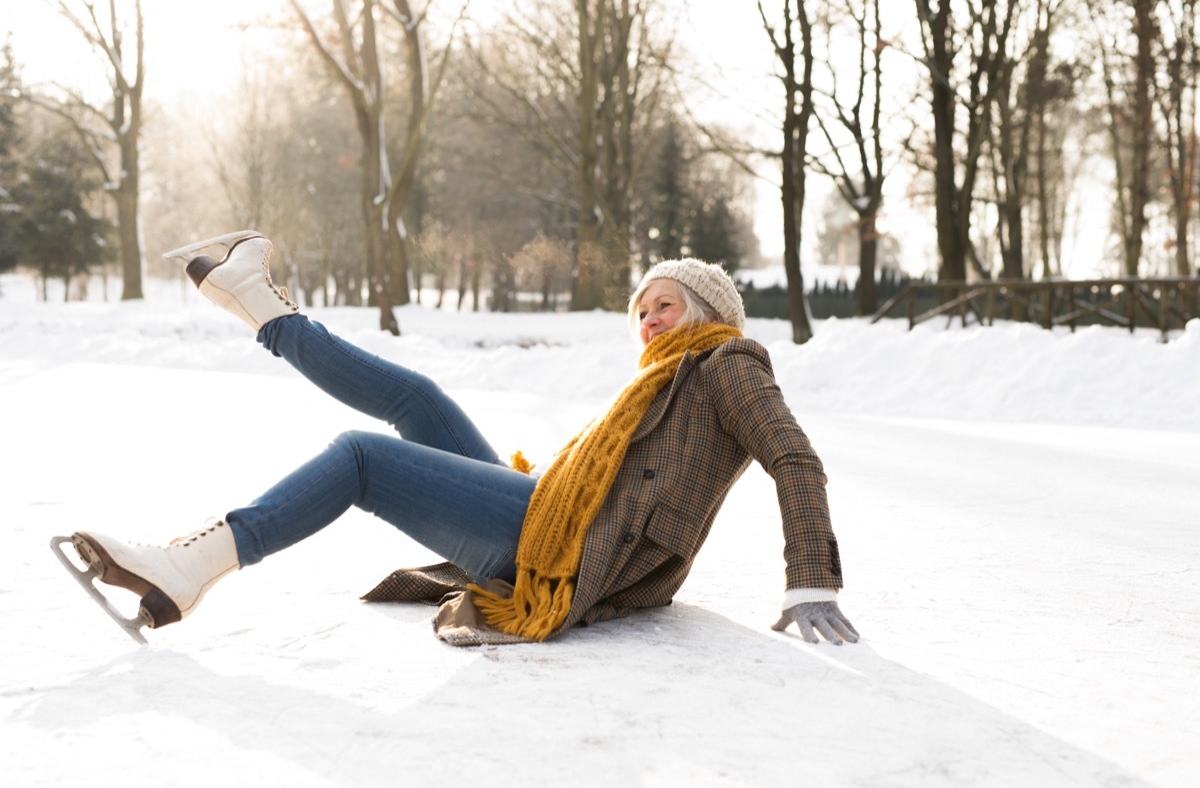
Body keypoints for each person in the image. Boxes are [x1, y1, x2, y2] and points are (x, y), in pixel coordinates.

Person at [65, 231, 859, 647]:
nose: (649, 321)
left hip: (576, 554)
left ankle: (186, 567)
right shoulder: (659, 380)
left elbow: (793, 457)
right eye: (642, 309)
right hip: (555, 520)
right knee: (420, 397)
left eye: (667, 307)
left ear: (709, 313)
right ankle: (262, 308)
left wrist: (811, 578)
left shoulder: (726, 363)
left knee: (361, 458)